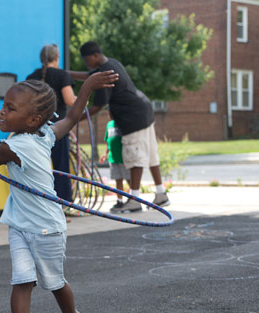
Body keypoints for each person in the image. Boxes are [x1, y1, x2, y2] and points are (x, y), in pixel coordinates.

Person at [0, 70, 119, 313]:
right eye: (4, 104)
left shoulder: (12, 147)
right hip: (20, 226)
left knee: (53, 281)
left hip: (47, 227)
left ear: (33, 119)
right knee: (22, 280)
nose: (3, 110)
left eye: (11, 108)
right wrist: (87, 85)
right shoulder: (43, 135)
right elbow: (72, 116)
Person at [69, 41, 170, 212]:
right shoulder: (111, 63)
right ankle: (161, 194)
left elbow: (96, 107)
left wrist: (72, 119)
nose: (87, 64)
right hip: (143, 110)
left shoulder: (104, 73)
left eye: (87, 60)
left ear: (95, 56)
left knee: (134, 158)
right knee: (151, 155)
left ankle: (134, 200)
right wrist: (67, 74)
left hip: (132, 118)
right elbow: (89, 75)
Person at [26, 44, 76, 208]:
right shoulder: (62, 75)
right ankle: (62, 206)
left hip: (35, 128)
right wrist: (83, 99)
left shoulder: (32, 76)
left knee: (37, 166)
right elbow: (70, 100)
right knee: (61, 167)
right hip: (57, 129)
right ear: (57, 58)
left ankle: (37, 205)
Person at [100, 116, 131, 213]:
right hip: (113, 158)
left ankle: (133, 199)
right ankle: (119, 201)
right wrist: (105, 153)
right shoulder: (109, 125)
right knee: (118, 180)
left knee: (129, 179)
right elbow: (108, 140)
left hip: (124, 158)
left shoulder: (124, 122)